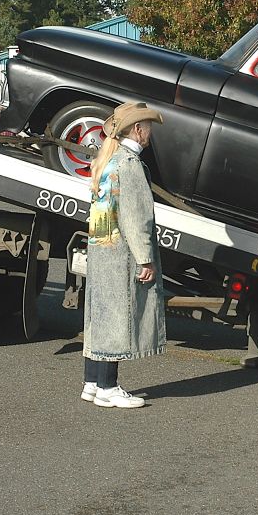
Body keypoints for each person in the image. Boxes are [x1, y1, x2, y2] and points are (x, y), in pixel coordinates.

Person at [80, 101, 167, 409]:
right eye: (148, 127)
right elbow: (135, 216)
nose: (151, 133)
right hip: (121, 254)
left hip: (102, 246)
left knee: (99, 315)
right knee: (118, 317)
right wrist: (145, 258)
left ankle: (92, 382)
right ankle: (107, 387)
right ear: (138, 129)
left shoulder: (108, 160)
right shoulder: (129, 164)